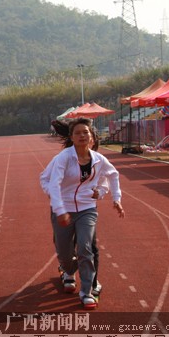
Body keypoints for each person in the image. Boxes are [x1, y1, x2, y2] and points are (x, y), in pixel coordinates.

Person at [43, 118, 124, 309]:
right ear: (71, 137)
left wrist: (115, 198)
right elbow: (53, 183)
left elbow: (112, 175)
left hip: (87, 209)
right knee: (64, 252)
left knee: (85, 248)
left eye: (85, 132)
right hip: (63, 208)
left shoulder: (98, 159)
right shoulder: (63, 158)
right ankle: (67, 269)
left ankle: (86, 291)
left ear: (92, 136)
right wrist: (60, 209)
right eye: (78, 133)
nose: (82, 135)